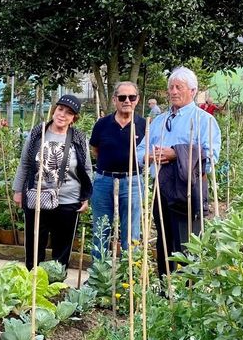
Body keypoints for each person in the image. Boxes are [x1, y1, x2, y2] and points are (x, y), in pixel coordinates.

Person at [136, 66, 221, 276]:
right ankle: (166, 288)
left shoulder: (205, 120)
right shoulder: (159, 121)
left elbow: (210, 159)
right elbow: (139, 151)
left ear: (192, 91)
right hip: (161, 188)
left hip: (188, 190)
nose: (173, 92)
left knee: (188, 243)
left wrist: (176, 154)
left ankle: (189, 290)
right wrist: (149, 156)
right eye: (171, 87)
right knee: (165, 241)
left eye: (179, 87)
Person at [12, 94, 92, 270]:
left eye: (69, 113)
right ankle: (32, 282)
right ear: (54, 109)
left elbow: (86, 168)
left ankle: (57, 285)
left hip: (68, 200)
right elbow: (24, 162)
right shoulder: (37, 133)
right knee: (34, 244)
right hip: (37, 197)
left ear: (74, 118)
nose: (63, 115)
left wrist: (85, 196)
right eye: (61, 109)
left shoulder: (78, 137)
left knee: (62, 247)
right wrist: (18, 191)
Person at [90, 82, 146, 259]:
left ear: (137, 100)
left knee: (131, 232)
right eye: (122, 97)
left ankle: (129, 277)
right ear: (115, 100)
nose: (127, 101)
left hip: (132, 182)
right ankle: (98, 277)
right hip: (104, 181)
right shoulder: (102, 124)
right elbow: (95, 149)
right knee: (101, 230)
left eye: (132, 97)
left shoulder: (144, 125)